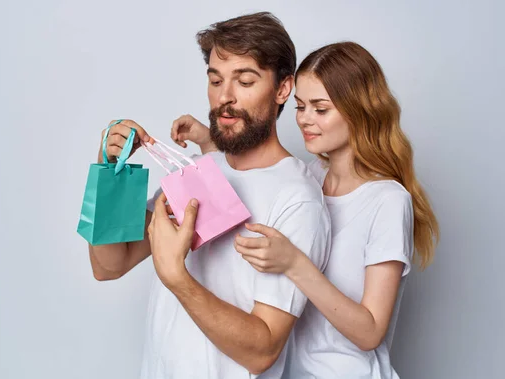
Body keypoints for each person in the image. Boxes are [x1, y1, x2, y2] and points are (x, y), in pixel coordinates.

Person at [171, 41, 440, 379]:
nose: (305, 120)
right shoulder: (308, 178)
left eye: (320, 109)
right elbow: (253, 177)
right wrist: (210, 142)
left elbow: (370, 332)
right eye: (300, 106)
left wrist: (296, 264)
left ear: (360, 110)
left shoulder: (387, 201)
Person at [87, 12, 331, 379]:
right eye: (215, 80)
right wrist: (110, 173)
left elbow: (262, 351)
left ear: (283, 89)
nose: (225, 98)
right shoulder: (201, 170)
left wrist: (176, 277)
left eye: (245, 81)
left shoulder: (298, 199)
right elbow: (109, 265)